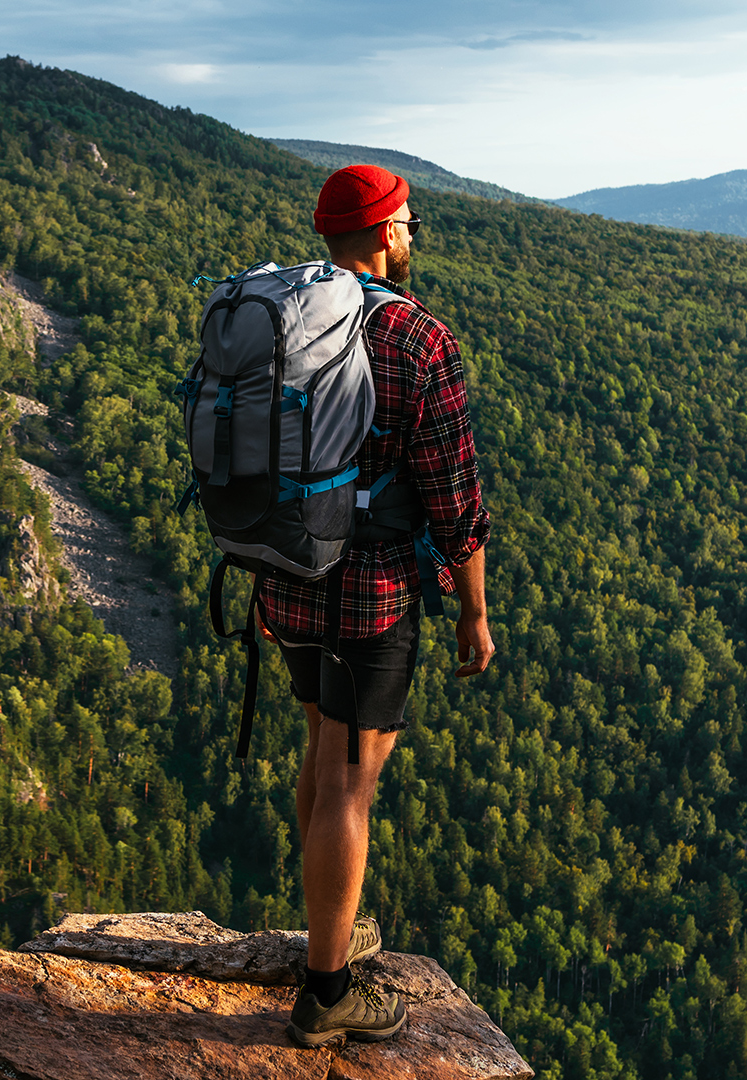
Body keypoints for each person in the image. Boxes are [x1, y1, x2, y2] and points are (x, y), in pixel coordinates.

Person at [257, 164, 494, 1048]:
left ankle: (329, 925)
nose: (412, 237)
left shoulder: (279, 314)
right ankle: (327, 993)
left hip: (286, 570)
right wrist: (472, 612)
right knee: (352, 784)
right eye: (411, 224)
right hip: (373, 589)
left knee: (323, 746)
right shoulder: (413, 336)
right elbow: (455, 500)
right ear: (390, 232)